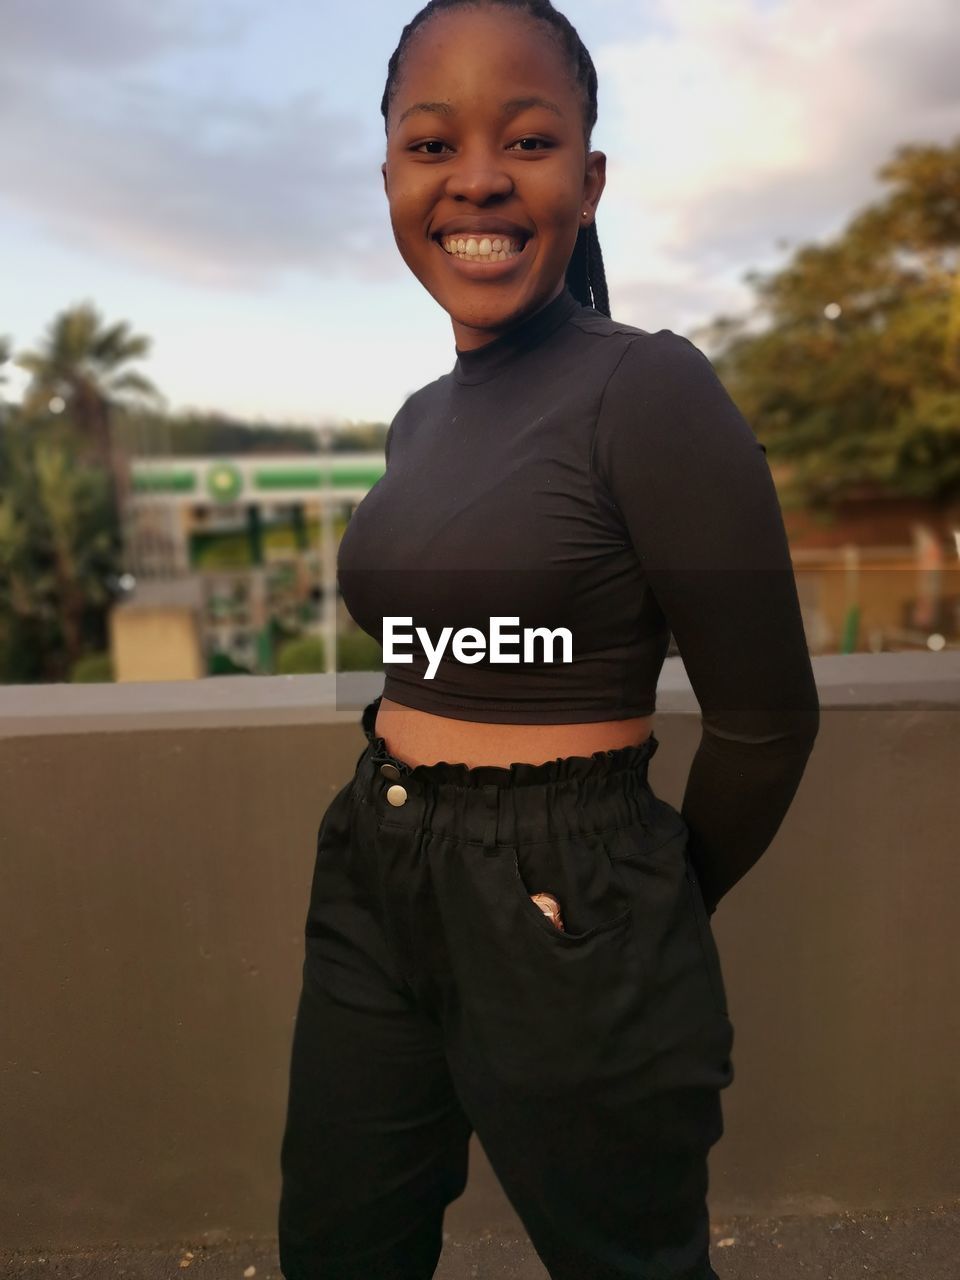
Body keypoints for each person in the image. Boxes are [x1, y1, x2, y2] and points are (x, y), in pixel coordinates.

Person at [277, 2, 820, 1277]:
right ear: (392, 178)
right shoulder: (419, 419)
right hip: (374, 860)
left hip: (569, 885)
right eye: (431, 145)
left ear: (589, 176)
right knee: (338, 1244)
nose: (475, 177)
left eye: (525, 141)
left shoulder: (649, 389)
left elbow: (766, 720)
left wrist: (637, 902)